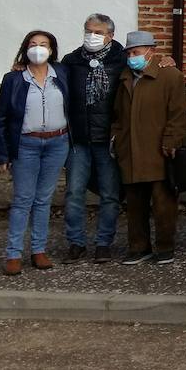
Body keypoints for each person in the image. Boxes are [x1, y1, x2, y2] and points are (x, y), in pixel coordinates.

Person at [0, 30, 72, 275]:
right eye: (33, 44)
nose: (38, 48)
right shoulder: (14, 78)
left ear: (52, 49)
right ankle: (13, 253)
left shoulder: (62, 73)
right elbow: (2, 119)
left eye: (44, 44)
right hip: (26, 144)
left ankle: (38, 250)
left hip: (57, 142)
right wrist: (3, 154)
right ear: (25, 48)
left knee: (43, 200)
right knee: (22, 200)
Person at [112, 30, 186, 265]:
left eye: (136, 52)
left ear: (151, 51)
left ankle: (165, 247)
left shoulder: (170, 76)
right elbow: (118, 113)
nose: (131, 56)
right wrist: (116, 138)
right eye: (129, 53)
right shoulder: (125, 77)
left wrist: (171, 140)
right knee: (135, 204)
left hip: (159, 150)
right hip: (131, 150)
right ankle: (138, 247)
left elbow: (178, 113)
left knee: (163, 203)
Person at [59, 14, 126, 264]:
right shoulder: (72, 61)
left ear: (110, 35)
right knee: (74, 193)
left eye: (98, 32)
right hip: (79, 140)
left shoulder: (122, 60)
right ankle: (76, 242)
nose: (92, 36)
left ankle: (103, 243)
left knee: (110, 194)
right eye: (88, 31)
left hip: (107, 140)